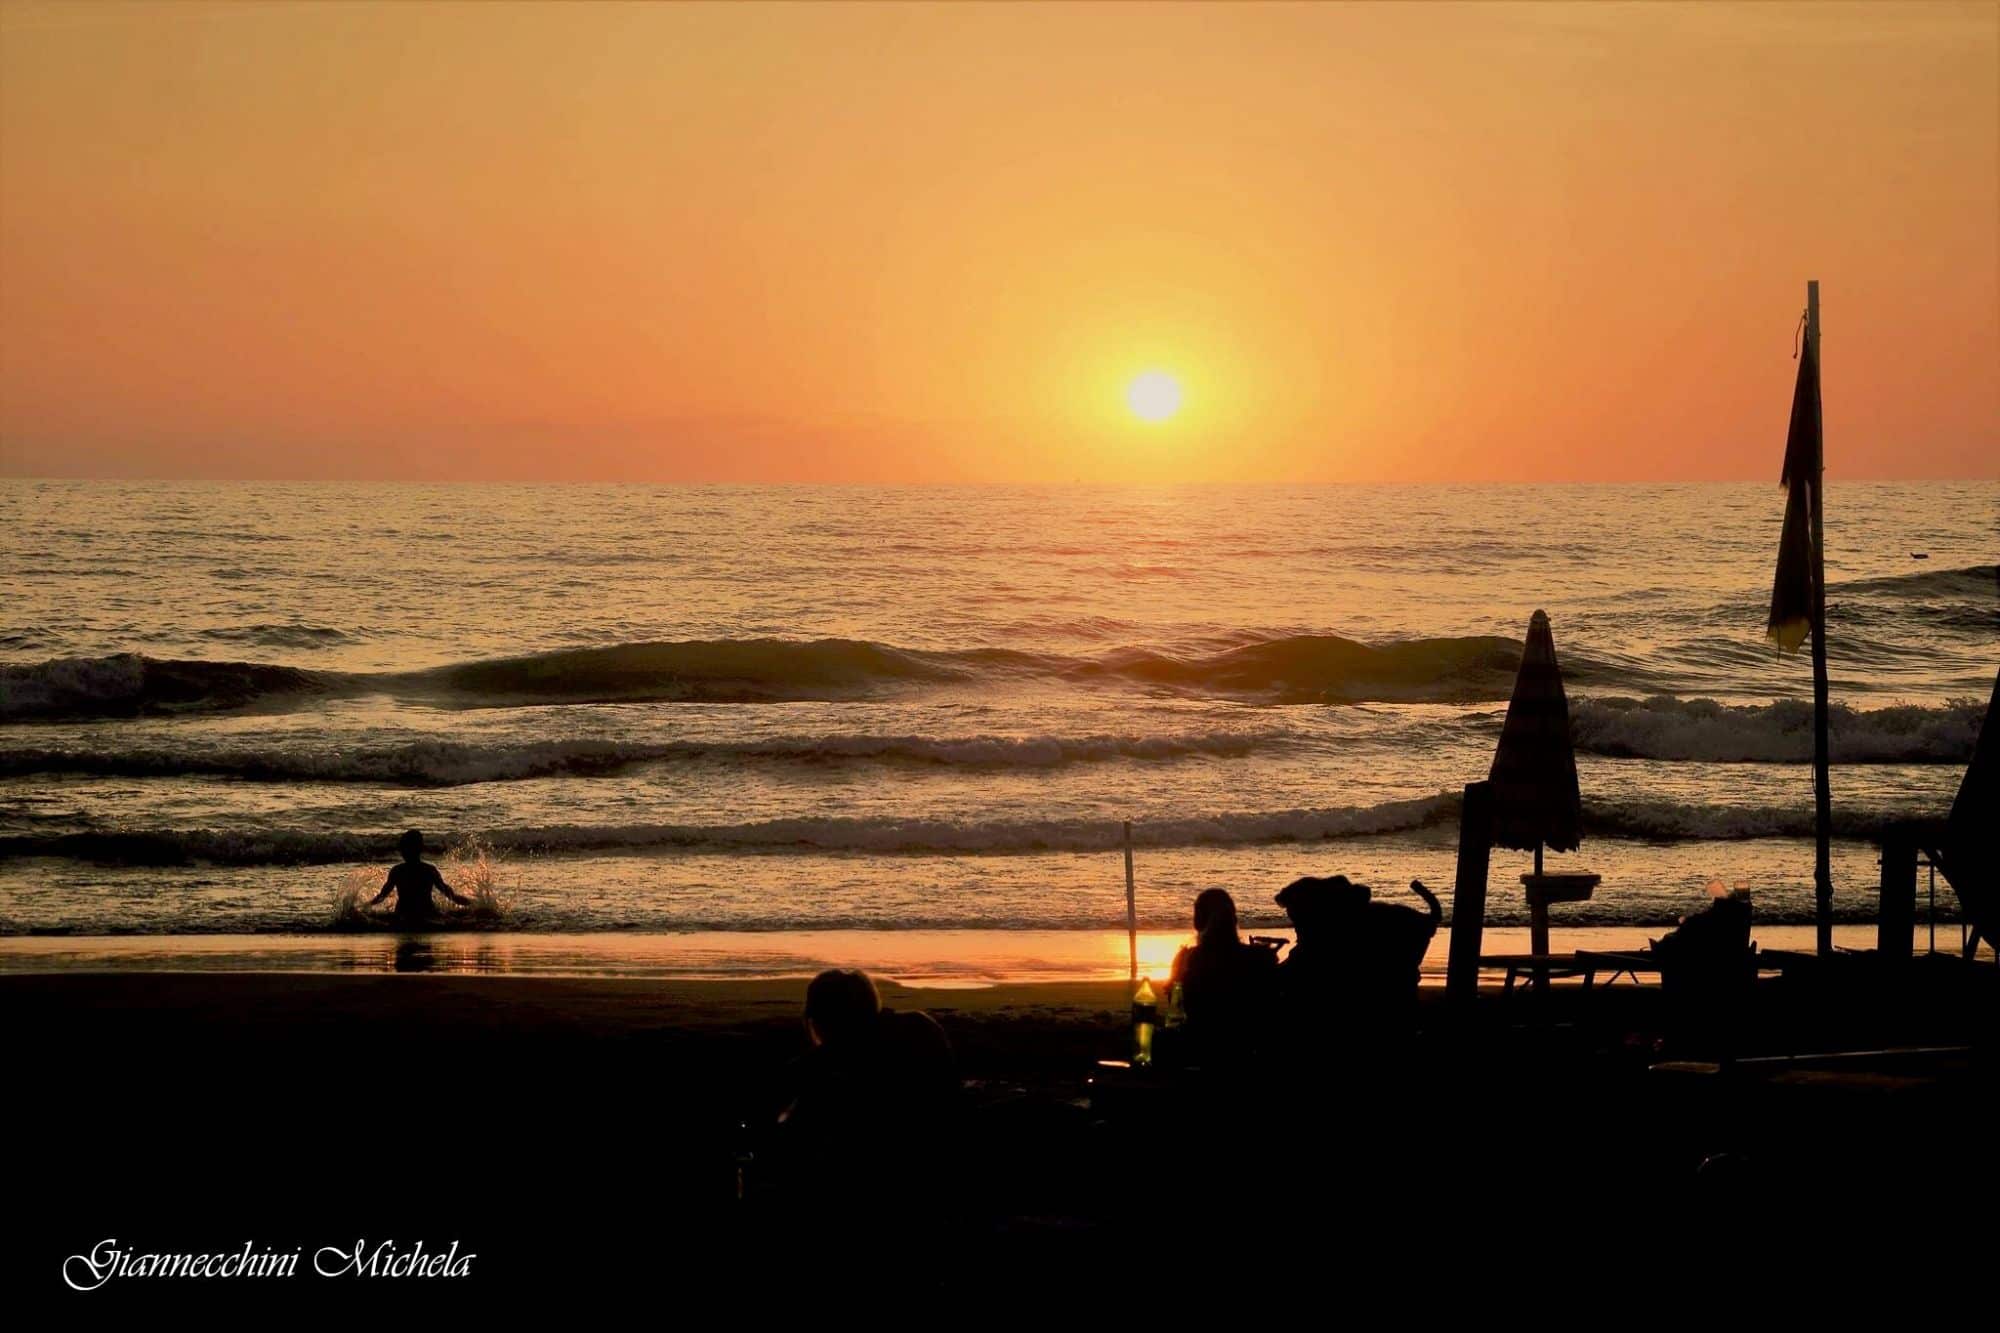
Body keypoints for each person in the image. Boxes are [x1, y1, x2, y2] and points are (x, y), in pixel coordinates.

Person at [1167, 888, 1277, 1063]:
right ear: (1234, 919)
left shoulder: (1187, 960)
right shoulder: (1260, 957)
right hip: (1252, 1049)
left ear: (1197, 921)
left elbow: (1176, 1005)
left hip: (1199, 1046)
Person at [367, 830, 473, 924]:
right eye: (404, 847)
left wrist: (362, 908)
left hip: (406, 916)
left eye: (406, 848)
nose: (403, 851)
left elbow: (382, 896)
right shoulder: (427, 870)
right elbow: (450, 895)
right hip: (426, 915)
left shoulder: (399, 871)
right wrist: (476, 906)